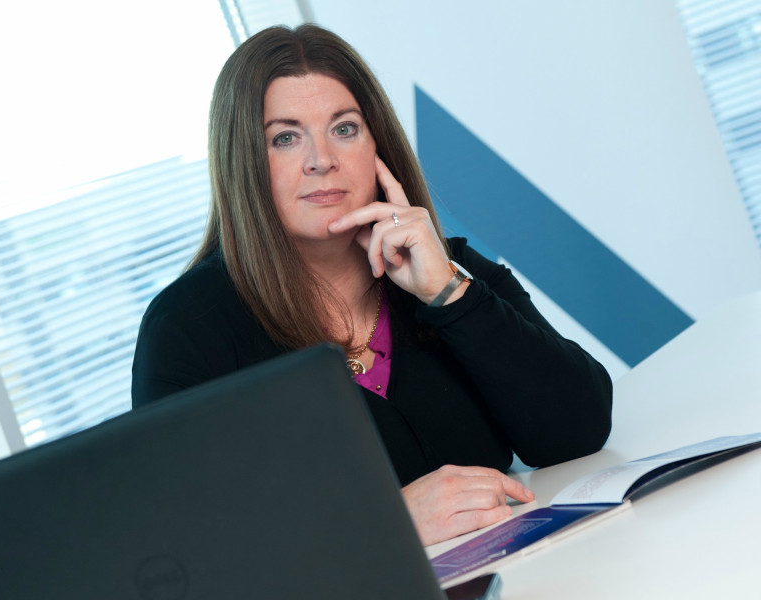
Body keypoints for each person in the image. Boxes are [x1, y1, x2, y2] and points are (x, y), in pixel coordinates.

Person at [131, 23, 612, 547]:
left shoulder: (448, 268)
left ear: (376, 144)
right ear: (243, 162)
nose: (321, 160)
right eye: (285, 137)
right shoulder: (187, 326)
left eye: (344, 128)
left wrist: (448, 296)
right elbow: (186, 551)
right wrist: (389, 519)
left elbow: (578, 432)